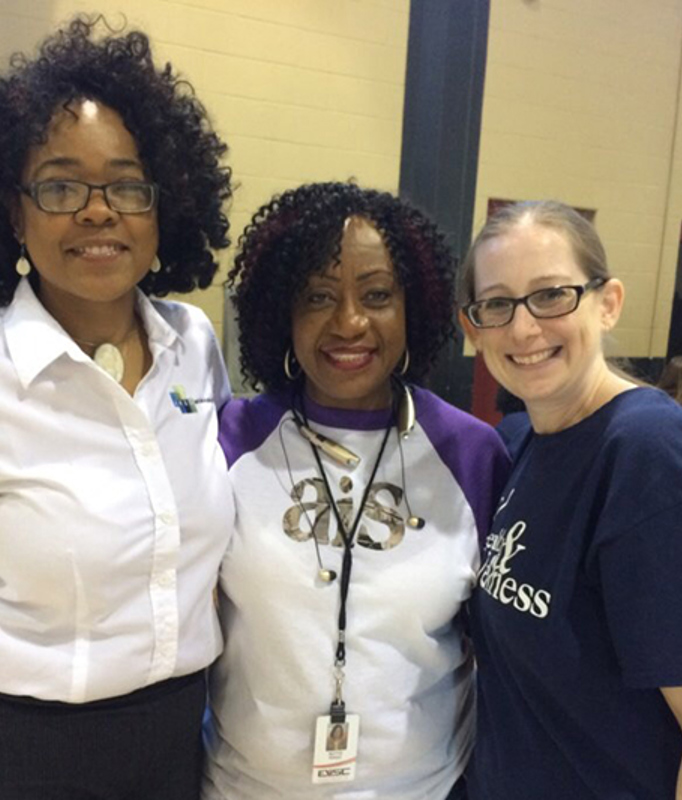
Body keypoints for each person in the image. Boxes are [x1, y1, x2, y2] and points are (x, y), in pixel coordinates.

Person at [0, 17, 235, 800]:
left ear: (164, 207)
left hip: (169, 750)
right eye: (61, 185)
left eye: (128, 184)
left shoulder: (193, 346)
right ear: (14, 211)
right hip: (4, 756)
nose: (99, 211)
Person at [460, 200, 682, 800]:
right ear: (473, 327)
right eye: (498, 304)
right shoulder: (527, 442)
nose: (524, 328)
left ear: (608, 303)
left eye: (552, 295)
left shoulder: (654, 459)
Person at [207, 183, 508, 799]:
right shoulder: (229, 442)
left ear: (413, 309)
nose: (349, 322)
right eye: (318, 296)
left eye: (377, 296)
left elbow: (508, 640)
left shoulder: (472, 455)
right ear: (281, 312)